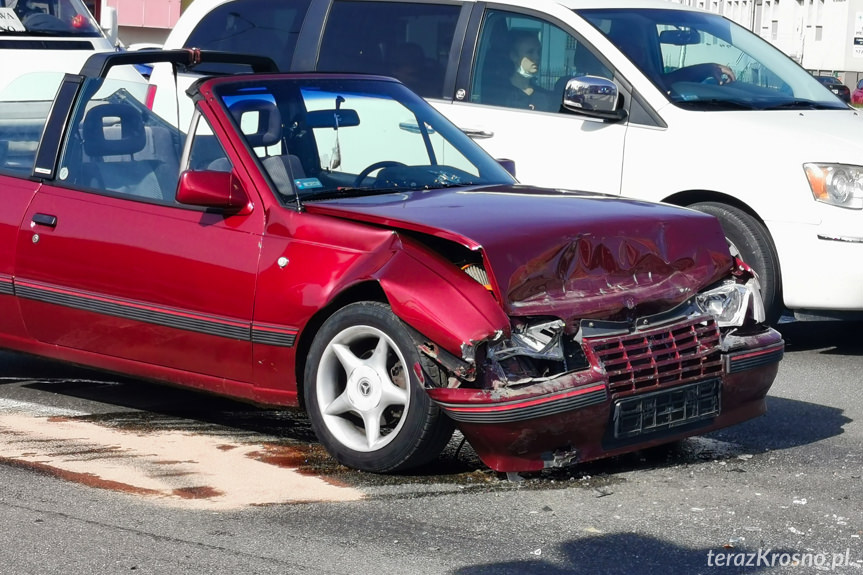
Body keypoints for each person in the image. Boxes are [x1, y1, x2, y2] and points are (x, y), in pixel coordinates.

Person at [485, 30, 554, 112]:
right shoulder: (499, 94)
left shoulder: (544, 96)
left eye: (539, 52)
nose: (537, 57)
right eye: (530, 52)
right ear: (514, 56)